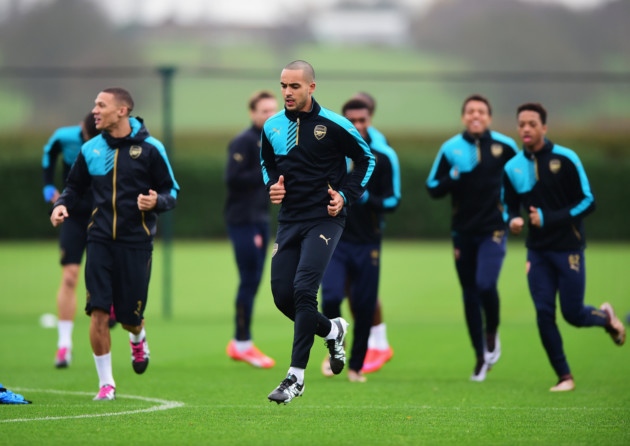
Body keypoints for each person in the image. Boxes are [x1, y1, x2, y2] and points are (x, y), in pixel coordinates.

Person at [50, 87, 180, 401]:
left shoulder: (150, 149)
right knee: (97, 311)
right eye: (95, 104)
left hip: (136, 243)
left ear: (122, 111)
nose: (95, 110)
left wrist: (156, 201)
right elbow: (73, 187)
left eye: (101, 105)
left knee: (129, 318)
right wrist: (60, 204)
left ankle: (138, 336)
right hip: (98, 240)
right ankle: (106, 384)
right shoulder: (90, 148)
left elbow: (172, 192)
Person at [260, 60, 375, 404]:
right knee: (283, 296)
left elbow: (367, 159)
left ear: (311, 88)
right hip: (290, 220)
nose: (287, 93)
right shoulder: (272, 126)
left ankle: (295, 377)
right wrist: (272, 186)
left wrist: (344, 196)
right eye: (283, 86)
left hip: (325, 219)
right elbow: (267, 162)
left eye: (294, 86)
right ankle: (332, 329)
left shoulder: (335, 125)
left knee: (303, 290)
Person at [502, 102, 625, 392]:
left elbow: (588, 201)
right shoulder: (512, 167)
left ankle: (606, 318)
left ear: (544, 127)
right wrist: (512, 220)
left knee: (573, 314)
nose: (526, 129)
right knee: (544, 313)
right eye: (522, 124)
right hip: (537, 252)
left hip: (568, 247)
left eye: (532, 123)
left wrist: (548, 218)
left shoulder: (566, 158)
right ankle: (564, 377)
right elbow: (507, 207)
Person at [426, 94, 519, 381]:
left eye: (480, 111)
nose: (475, 116)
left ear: (488, 117)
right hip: (462, 232)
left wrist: (517, 212)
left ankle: (491, 330)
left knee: (485, 284)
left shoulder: (505, 147)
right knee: (468, 294)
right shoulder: (451, 148)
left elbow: (523, 180)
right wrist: (453, 177)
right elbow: (433, 187)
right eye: (470, 111)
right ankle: (480, 357)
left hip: (494, 228)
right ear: (463, 117)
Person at [320, 98, 401, 383]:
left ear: (370, 121)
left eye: (362, 120)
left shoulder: (383, 156)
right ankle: (334, 352)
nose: (357, 125)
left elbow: (393, 200)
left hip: (368, 242)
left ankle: (356, 367)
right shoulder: (332, 155)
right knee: (329, 297)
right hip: (334, 239)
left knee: (365, 305)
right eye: (351, 120)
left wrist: (366, 199)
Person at [42, 113, 114, 369]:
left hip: (101, 217)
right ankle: (64, 346)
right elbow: (48, 155)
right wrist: (48, 187)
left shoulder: (110, 145)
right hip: (72, 215)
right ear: (82, 130)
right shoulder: (64, 137)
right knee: (70, 276)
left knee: (108, 273)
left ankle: (112, 308)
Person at [224, 90, 278, 369]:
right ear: (253, 113)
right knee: (249, 278)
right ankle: (241, 343)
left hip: (260, 219)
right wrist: (267, 169)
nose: (269, 115)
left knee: (255, 279)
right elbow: (232, 179)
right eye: (264, 110)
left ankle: (242, 342)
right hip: (242, 220)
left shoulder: (274, 141)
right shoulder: (244, 141)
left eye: (273, 110)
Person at [349, 91, 395, 374]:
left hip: (367, 230)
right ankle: (360, 345)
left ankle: (378, 342)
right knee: (342, 291)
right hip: (342, 228)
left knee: (361, 293)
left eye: (362, 117)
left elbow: (386, 190)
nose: (357, 122)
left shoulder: (378, 146)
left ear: (370, 115)